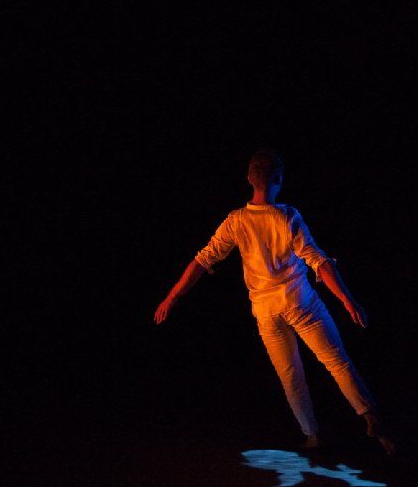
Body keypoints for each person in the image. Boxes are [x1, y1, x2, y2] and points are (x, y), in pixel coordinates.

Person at [154, 149, 395, 456]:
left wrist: (171, 297)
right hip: (301, 303)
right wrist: (347, 300)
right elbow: (318, 262)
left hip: (267, 312)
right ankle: (370, 417)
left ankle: (312, 436)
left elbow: (202, 261)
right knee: (337, 362)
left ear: (249, 179)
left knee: (290, 376)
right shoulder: (287, 216)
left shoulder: (236, 221)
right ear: (279, 179)